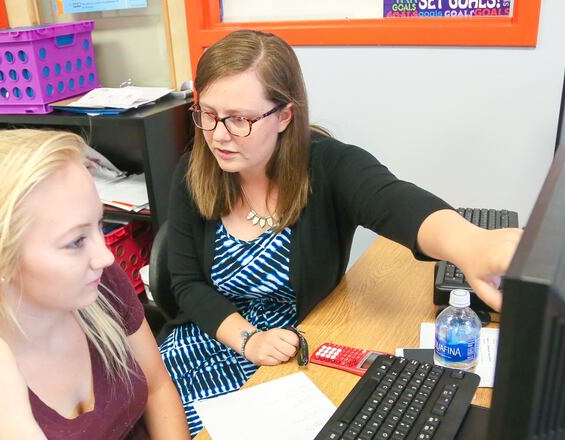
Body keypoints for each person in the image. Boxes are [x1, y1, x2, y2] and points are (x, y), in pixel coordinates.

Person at [158, 29, 523, 435]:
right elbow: (188, 285)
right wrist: (248, 339)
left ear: (284, 115)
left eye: (240, 119)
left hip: (293, 347)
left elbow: (394, 201)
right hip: (212, 340)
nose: (219, 134)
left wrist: (470, 245)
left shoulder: (328, 165)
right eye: (207, 114)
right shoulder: (195, 172)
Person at [0, 129, 189, 439]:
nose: (106, 257)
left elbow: (157, 388)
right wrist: (6, 427)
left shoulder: (99, 284)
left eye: (99, 225)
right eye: (76, 241)